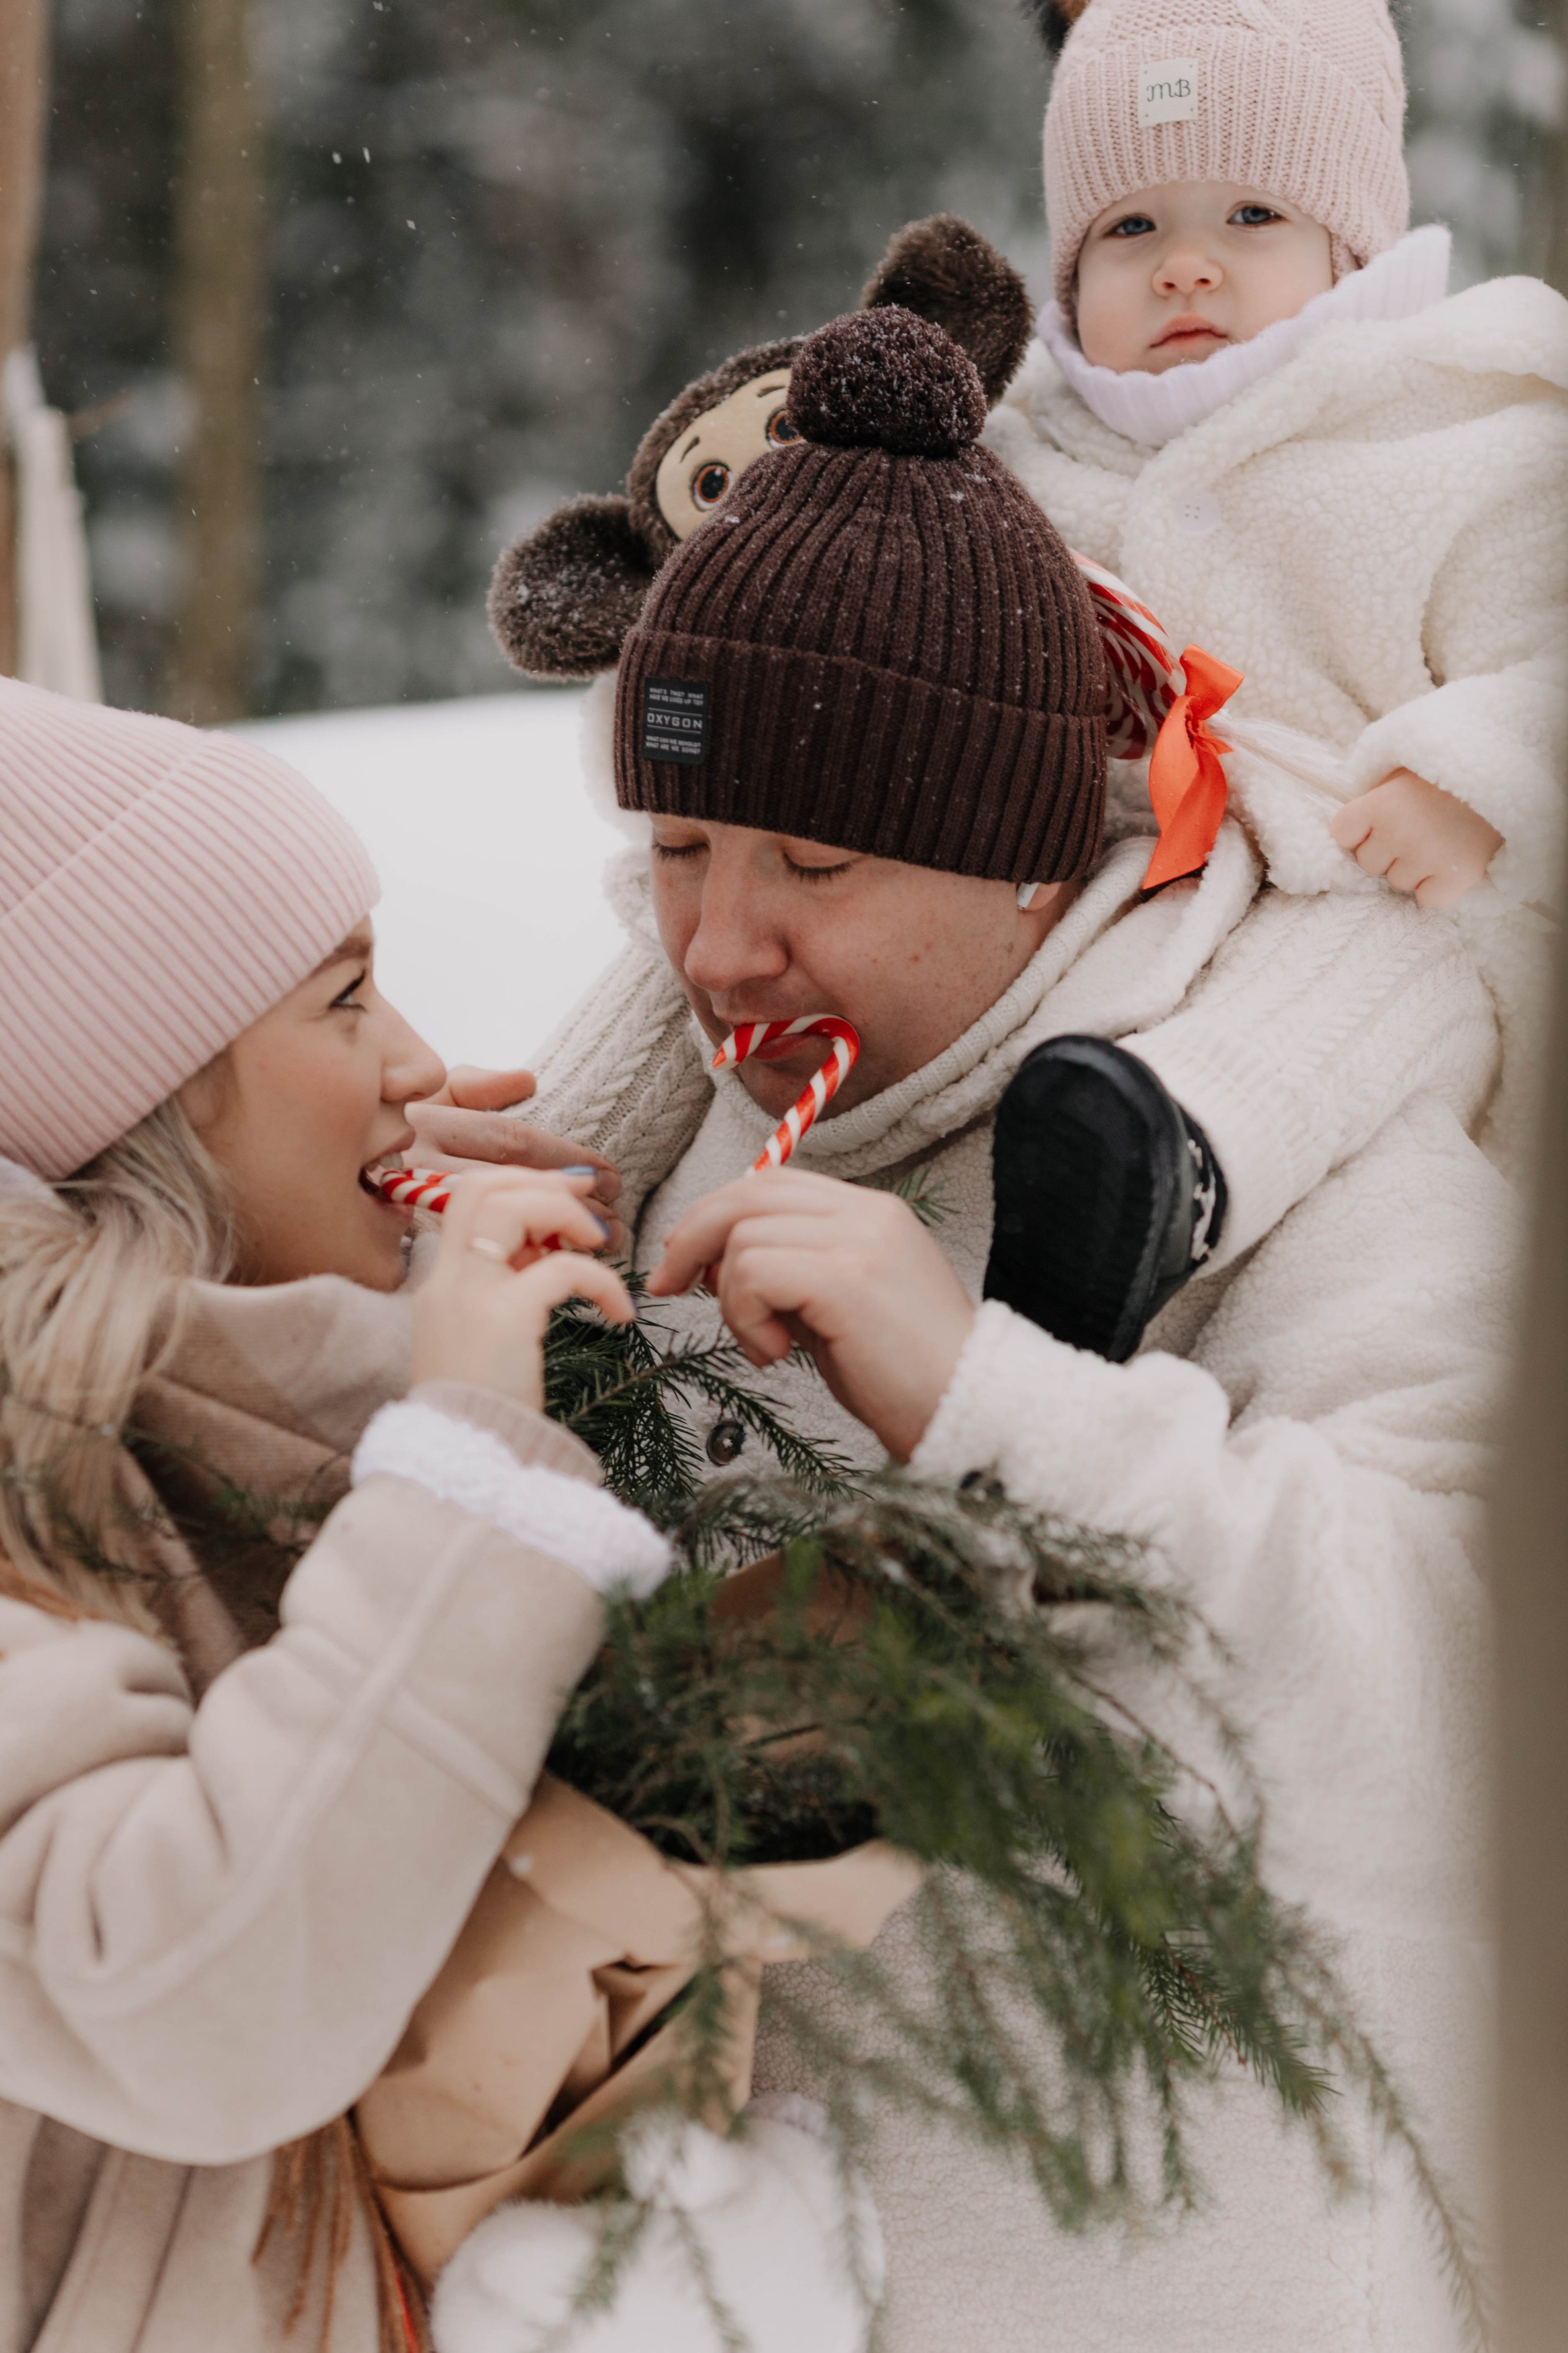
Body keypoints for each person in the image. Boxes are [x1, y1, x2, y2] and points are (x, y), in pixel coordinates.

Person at [513, 298, 1505, 2351]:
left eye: (817, 856)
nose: (717, 939)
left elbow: (1476, 1705)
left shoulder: (1295, 1128)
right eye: (680, 846)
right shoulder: (668, 1116)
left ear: (1033, 864)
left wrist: (997, 1401)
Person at [0, 663, 674, 2353]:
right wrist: (455, 1464)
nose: (421, 1059)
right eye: (341, 1001)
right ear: (130, 1095)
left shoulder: (85, 1401)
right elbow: (190, 2005)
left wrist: (320, 1282)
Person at [989, 0, 1567, 1206]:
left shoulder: (1460, 428)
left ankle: (1158, 1190)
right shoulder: (1020, 467)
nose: (1185, 267)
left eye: (1249, 216)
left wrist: (1473, 777)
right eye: (1130, 228)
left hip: (1393, 978)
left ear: (1344, 239)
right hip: (1093, 977)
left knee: (1370, 989)